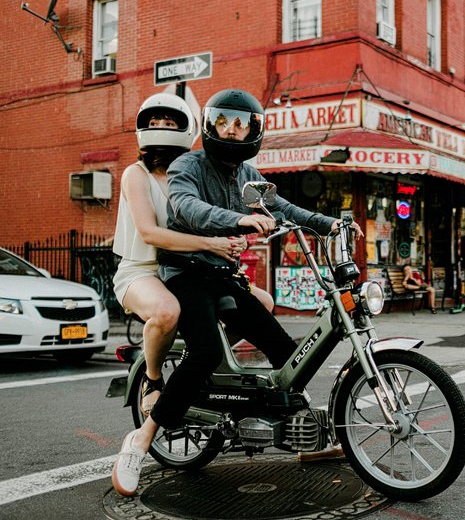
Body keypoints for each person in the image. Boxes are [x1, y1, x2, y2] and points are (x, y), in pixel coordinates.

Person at [112, 88, 361, 497]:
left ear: (253, 129)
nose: (231, 130)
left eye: (240, 123)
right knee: (205, 351)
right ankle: (142, 438)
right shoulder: (187, 165)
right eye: (223, 122)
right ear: (209, 125)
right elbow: (186, 208)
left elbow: (280, 206)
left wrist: (328, 223)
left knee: (285, 349)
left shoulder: (247, 173)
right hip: (184, 275)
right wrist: (240, 220)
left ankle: (295, 429)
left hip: (222, 273)